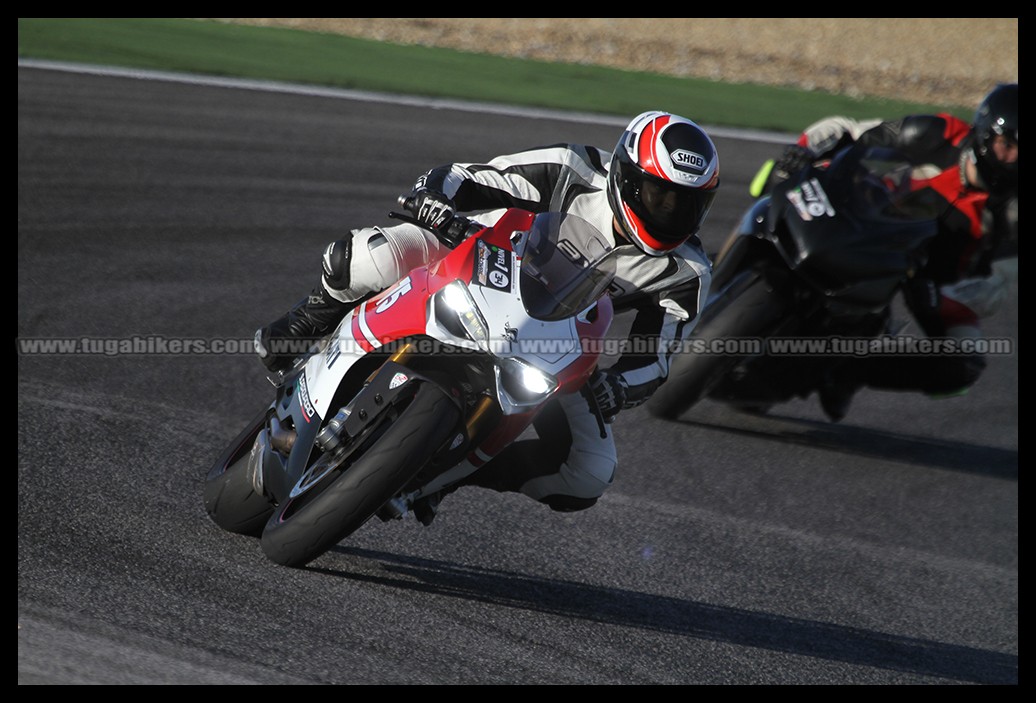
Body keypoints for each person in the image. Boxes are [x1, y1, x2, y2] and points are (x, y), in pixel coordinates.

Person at [253, 111, 720, 520]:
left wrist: (617, 386)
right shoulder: (572, 168)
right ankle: (306, 322)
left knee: (589, 473)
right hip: (475, 259)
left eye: (686, 203)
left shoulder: (688, 271)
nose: (670, 211)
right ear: (625, 175)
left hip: (553, 340)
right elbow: (465, 177)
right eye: (659, 195)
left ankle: (435, 476)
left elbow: (656, 358)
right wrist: (435, 204)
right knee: (368, 255)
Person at [766, 83, 1018, 422]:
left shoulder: (1013, 211)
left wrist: (955, 296)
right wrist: (802, 152)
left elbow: (997, 284)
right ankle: (730, 264)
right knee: (771, 185)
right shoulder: (935, 132)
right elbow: (847, 130)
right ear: (986, 133)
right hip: (857, 216)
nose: (1013, 158)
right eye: (1008, 145)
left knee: (964, 363)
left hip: (925, 277)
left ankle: (849, 371)